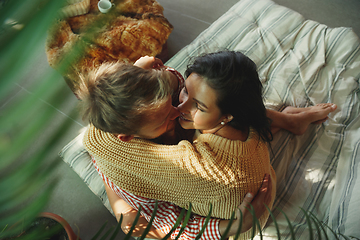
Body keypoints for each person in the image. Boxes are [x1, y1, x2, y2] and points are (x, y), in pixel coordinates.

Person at [78, 51, 337, 239]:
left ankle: (288, 121)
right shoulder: (152, 156)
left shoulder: (192, 160)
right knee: (128, 218)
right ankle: (288, 120)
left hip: (233, 189)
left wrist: (140, 72)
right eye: (181, 95)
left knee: (219, 99)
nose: (177, 109)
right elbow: (160, 222)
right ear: (125, 137)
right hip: (228, 185)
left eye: (183, 101)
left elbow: (94, 140)